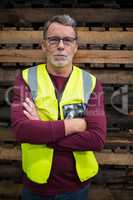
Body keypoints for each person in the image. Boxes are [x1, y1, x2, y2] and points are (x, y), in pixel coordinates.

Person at [11, 15, 107, 200]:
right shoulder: (25, 79)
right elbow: (22, 130)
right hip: (36, 186)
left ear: (75, 47)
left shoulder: (91, 83)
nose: (61, 46)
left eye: (68, 40)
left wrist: (42, 130)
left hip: (77, 188)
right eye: (54, 40)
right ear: (43, 45)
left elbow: (96, 139)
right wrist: (75, 125)